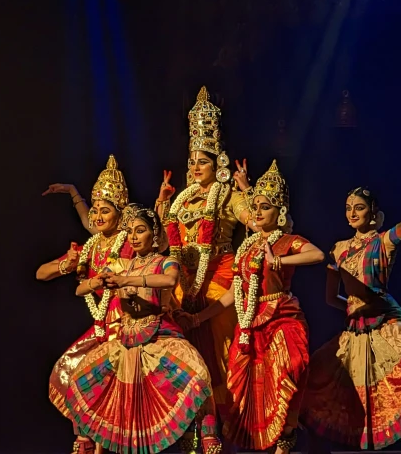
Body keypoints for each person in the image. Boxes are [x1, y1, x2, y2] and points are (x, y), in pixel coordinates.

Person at [300, 155, 401, 454]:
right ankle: (315, 439)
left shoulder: (385, 242)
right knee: (318, 380)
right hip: (356, 329)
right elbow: (329, 298)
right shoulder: (338, 250)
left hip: (388, 322)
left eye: (359, 208)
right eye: (348, 208)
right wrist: (352, 310)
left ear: (373, 213)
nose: (352, 213)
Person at [180, 160, 324, 454]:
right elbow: (234, 292)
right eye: (255, 207)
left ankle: (287, 437)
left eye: (265, 207)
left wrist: (279, 261)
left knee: (292, 367)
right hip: (250, 322)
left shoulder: (287, 241)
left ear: (280, 212)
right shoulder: (246, 248)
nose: (257, 212)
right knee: (243, 386)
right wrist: (198, 319)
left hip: (281, 317)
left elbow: (317, 255)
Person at [64, 205, 222, 454]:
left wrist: (128, 281)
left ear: (155, 235)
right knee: (80, 381)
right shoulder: (121, 265)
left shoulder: (165, 262)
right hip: (125, 340)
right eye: (129, 232)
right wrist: (98, 281)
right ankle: (84, 443)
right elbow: (79, 290)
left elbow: (169, 280)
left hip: (159, 337)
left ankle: (208, 437)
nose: (133, 237)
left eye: (140, 231)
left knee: (199, 378)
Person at [154, 86, 256, 450]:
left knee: (218, 346)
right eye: (192, 162)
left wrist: (246, 191)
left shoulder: (226, 195)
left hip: (220, 276)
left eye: (203, 162)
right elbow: (164, 245)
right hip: (182, 279)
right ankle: (184, 426)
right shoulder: (181, 200)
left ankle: (218, 428)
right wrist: (162, 205)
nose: (195, 168)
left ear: (219, 165)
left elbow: (255, 222)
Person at [36, 155, 136, 454]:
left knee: (106, 392)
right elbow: (40, 273)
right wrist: (67, 266)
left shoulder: (129, 244)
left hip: (128, 329)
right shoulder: (90, 248)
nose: (98, 216)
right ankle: (85, 440)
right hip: (101, 329)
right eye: (96, 211)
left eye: (106, 211)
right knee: (68, 373)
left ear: (120, 216)